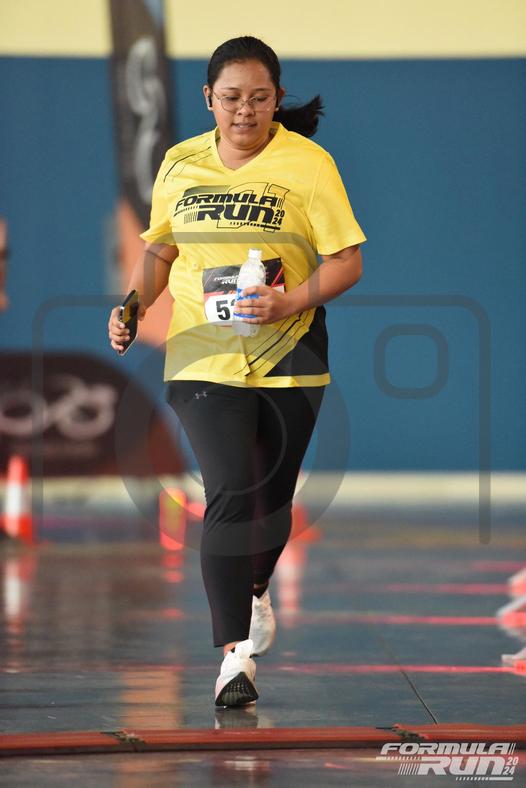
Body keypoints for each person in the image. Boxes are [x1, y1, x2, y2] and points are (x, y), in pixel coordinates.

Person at [108, 35, 366, 708]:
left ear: (276, 100)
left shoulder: (309, 165)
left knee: (270, 502)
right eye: (230, 98)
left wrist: (289, 301)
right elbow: (160, 251)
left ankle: (255, 588)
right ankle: (235, 659)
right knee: (227, 488)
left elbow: (347, 261)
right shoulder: (180, 162)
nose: (244, 111)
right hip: (202, 353)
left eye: (258, 98)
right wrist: (134, 305)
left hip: (290, 351)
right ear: (208, 99)